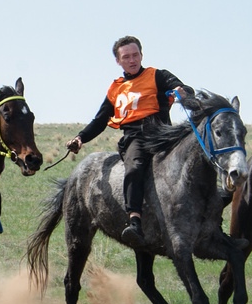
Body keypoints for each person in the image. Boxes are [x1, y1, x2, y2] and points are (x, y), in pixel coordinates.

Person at [66, 35, 189, 247]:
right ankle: (135, 220)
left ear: (141, 55)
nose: (132, 60)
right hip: (136, 138)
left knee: (194, 156)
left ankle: (214, 208)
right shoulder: (116, 89)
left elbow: (182, 88)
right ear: (118, 61)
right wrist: (80, 138)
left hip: (163, 134)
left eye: (135, 55)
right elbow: (100, 119)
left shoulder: (157, 75)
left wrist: (182, 92)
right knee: (134, 168)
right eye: (126, 57)